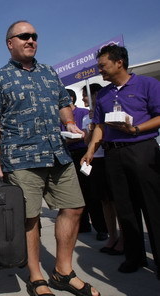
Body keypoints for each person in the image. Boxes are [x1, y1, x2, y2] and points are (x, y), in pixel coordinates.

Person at [0, 20, 100, 296]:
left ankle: (63, 272)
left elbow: (63, 104)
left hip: (57, 154)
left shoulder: (49, 72)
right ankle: (36, 277)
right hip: (21, 158)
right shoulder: (0, 78)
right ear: (10, 43)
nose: (31, 40)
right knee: (30, 219)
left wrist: (69, 124)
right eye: (24, 36)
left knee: (74, 208)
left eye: (34, 36)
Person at [81, 44, 160, 279]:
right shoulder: (103, 95)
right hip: (113, 155)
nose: (100, 71)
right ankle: (133, 256)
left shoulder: (148, 84)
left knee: (153, 206)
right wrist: (91, 150)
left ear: (119, 63)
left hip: (142, 150)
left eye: (103, 66)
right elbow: (100, 127)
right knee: (125, 208)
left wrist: (135, 129)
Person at [82, 83, 124, 255]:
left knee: (118, 201)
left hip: (111, 157)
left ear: (96, 95)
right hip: (96, 161)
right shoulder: (87, 117)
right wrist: (92, 125)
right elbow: (87, 142)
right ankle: (111, 236)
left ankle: (124, 238)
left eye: (86, 95)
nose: (84, 98)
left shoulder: (111, 109)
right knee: (105, 201)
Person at [63, 89, 107, 240]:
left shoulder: (84, 113)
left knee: (92, 192)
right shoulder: (59, 116)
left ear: (69, 98)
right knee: (77, 192)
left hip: (84, 153)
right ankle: (83, 224)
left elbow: (85, 135)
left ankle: (101, 227)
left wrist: (69, 139)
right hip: (69, 156)